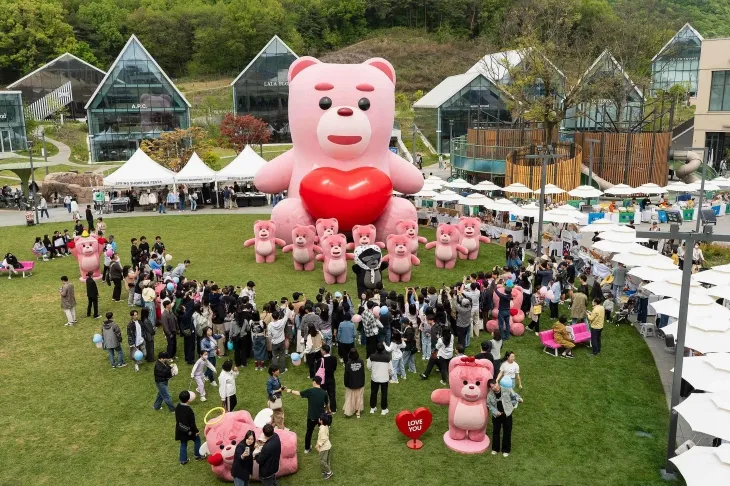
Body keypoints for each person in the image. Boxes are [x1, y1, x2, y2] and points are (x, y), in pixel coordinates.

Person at [287, 376, 329, 453]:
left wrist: (290, 390)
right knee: (323, 431)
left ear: (314, 382)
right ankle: (323, 446)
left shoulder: (310, 391)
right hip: (321, 417)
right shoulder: (324, 393)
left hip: (311, 417)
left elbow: (299, 393)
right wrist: (328, 411)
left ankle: (307, 448)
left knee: (309, 432)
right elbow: (327, 404)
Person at [487, 379, 523, 457]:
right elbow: (489, 405)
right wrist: (496, 412)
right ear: (490, 388)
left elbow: (514, 396)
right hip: (497, 416)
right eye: (492, 387)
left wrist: (518, 400)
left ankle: (506, 450)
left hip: (507, 415)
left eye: (495, 385)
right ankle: (495, 449)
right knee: (496, 432)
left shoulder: (507, 389)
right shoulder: (490, 395)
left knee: (507, 432)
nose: (495, 387)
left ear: (497, 383)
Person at [175, 390, 203, 465]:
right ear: (188, 399)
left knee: (183, 443)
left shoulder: (178, 406)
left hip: (180, 429)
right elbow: (192, 423)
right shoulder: (189, 410)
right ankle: (198, 456)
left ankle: (183, 460)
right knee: (197, 439)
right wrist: (196, 431)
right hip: (189, 431)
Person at [367, 342, 392, 415]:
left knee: (373, 392)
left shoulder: (372, 357)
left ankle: (372, 408)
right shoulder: (387, 358)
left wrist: (372, 370)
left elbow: (368, 366)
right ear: (383, 349)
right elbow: (390, 369)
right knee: (384, 393)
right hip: (384, 379)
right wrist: (390, 375)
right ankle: (384, 409)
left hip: (375, 378)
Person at [343, 348, 365, 418]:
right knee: (359, 398)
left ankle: (349, 411)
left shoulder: (348, 363)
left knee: (350, 398)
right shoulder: (361, 361)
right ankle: (358, 412)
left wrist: (346, 383)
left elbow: (346, 375)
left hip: (351, 384)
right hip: (360, 383)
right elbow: (362, 373)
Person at [318, 344, 338, 413]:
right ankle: (333, 409)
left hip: (323, 380)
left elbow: (317, 370)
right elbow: (334, 368)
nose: (320, 351)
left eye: (321, 350)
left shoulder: (320, 360)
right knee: (332, 394)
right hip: (331, 378)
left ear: (324, 351)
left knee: (323, 394)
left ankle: (325, 408)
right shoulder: (334, 358)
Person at [316, 412, 333, 480]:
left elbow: (323, 438)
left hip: (324, 447)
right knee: (326, 460)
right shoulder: (326, 426)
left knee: (322, 461)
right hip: (328, 446)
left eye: (319, 418)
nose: (318, 419)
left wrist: (318, 445)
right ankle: (325, 470)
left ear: (321, 421)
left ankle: (329, 472)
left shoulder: (322, 429)